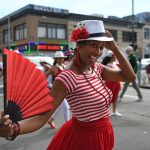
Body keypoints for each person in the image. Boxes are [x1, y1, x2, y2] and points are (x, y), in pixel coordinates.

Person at [0, 20, 135, 150]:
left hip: (105, 132)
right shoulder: (67, 77)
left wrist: (114, 48)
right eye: (94, 45)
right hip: (85, 139)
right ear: (79, 45)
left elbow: (130, 76)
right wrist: (13, 130)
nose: (98, 52)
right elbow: (42, 118)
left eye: (101, 47)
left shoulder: (97, 68)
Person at [45, 51, 70, 128]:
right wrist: (47, 85)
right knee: (66, 107)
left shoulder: (64, 66)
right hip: (57, 92)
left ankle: (51, 120)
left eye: (62, 58)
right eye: (59, 58)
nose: (61, 59)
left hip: (65, 90)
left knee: (59, 108)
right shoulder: (53, 68)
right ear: (56, 59)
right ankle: (68, 125)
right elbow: (44, 75)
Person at [102, 51, 122, 116]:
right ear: (111, 57)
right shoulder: (108, 65)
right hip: (110, 83)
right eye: (114, 56)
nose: (115, 57)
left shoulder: (114, 64)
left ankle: (114, 111)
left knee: (115, 97)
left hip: (116, 82)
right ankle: (106, 111)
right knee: (109, 98)